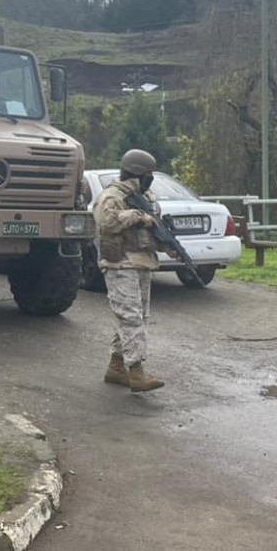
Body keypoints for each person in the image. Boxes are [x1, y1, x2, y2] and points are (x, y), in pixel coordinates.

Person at [92, 148, 175, 393]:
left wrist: (167, 246)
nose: (150, 178)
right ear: (137, 172)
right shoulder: (112, 196)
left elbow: (149, 231)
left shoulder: (145, 196)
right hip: (120, 264)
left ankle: (116, 367)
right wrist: (139, 216)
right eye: (148, 174)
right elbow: (106, 221)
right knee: (130, 318)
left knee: (137, 318)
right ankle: (136, 370)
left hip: (141, 263)